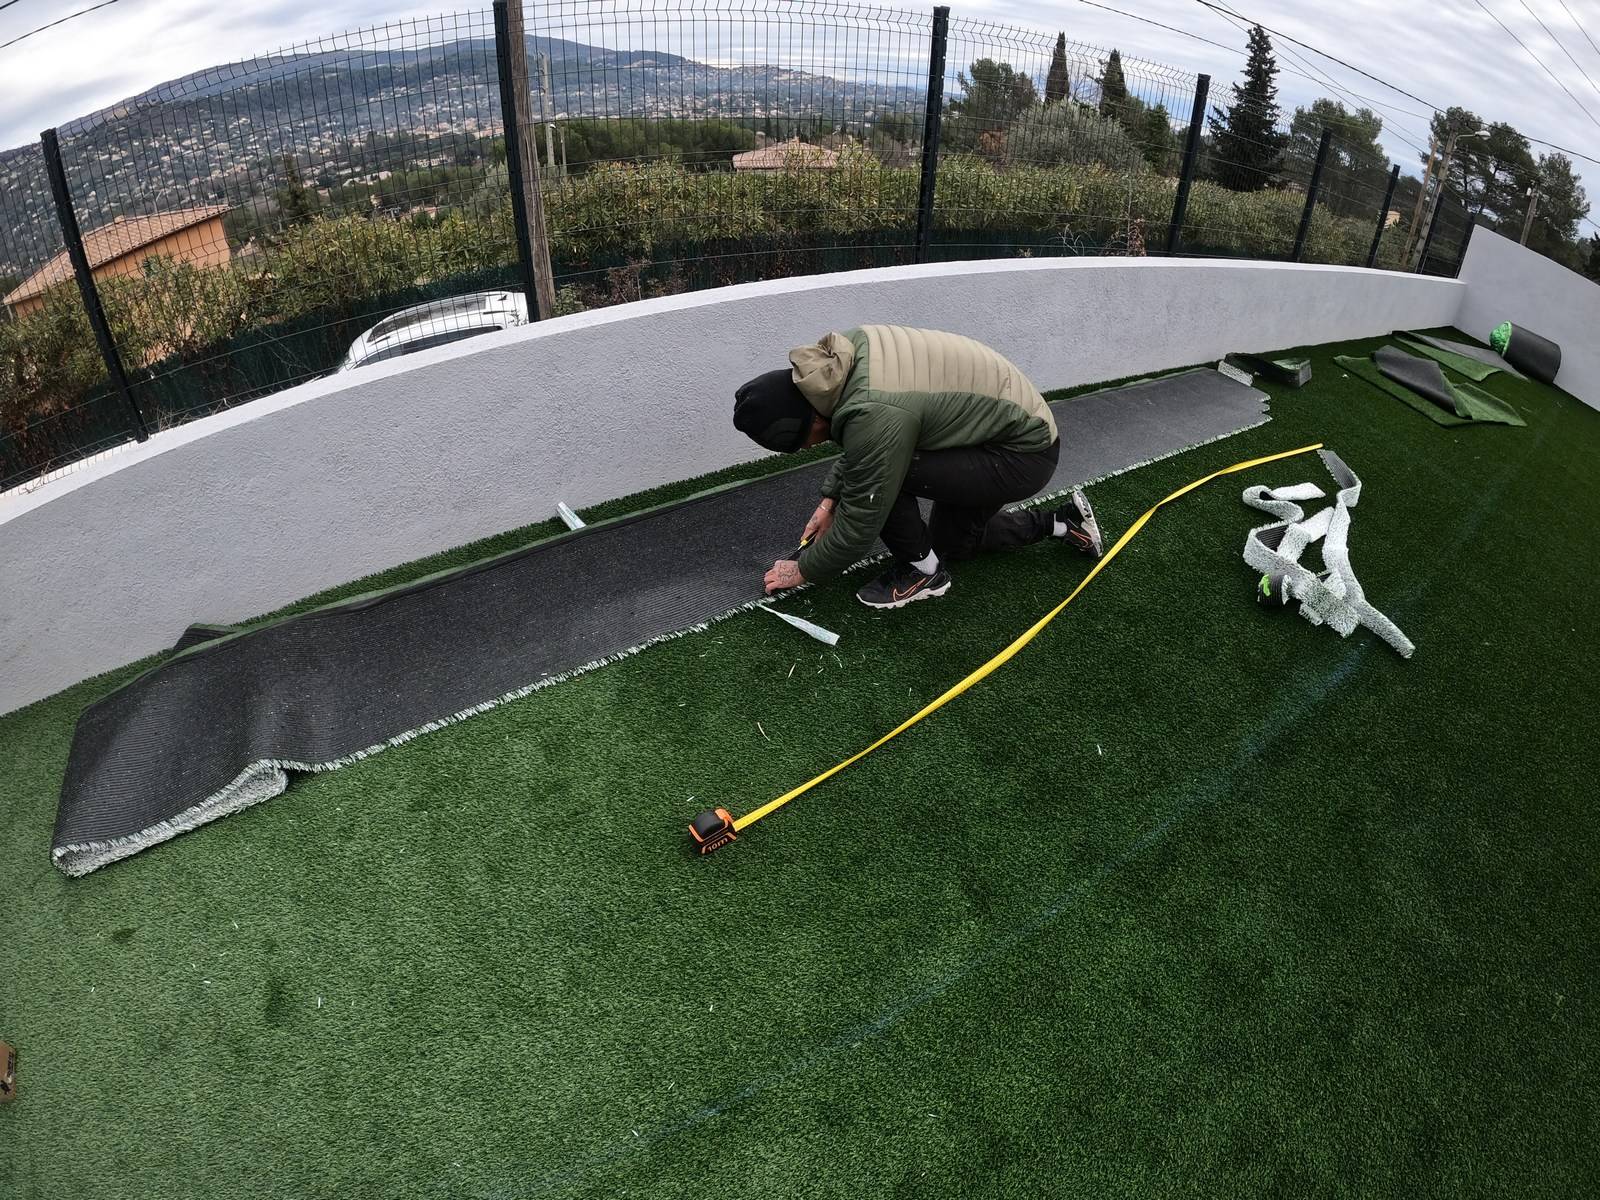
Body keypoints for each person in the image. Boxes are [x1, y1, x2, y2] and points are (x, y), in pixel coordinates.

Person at [733, 324, 1103, 609]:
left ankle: (924, 573)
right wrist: (829, 502)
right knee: (953, 542)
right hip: (997, 434)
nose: (813, 446)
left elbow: (862, 517)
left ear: (813, 420)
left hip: (1021, 454)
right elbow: (871, 439)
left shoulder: (874, 412)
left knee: (889, 475)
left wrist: (803, 569)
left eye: (806, 442)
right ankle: (1062, 523)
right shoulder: (839, 358)